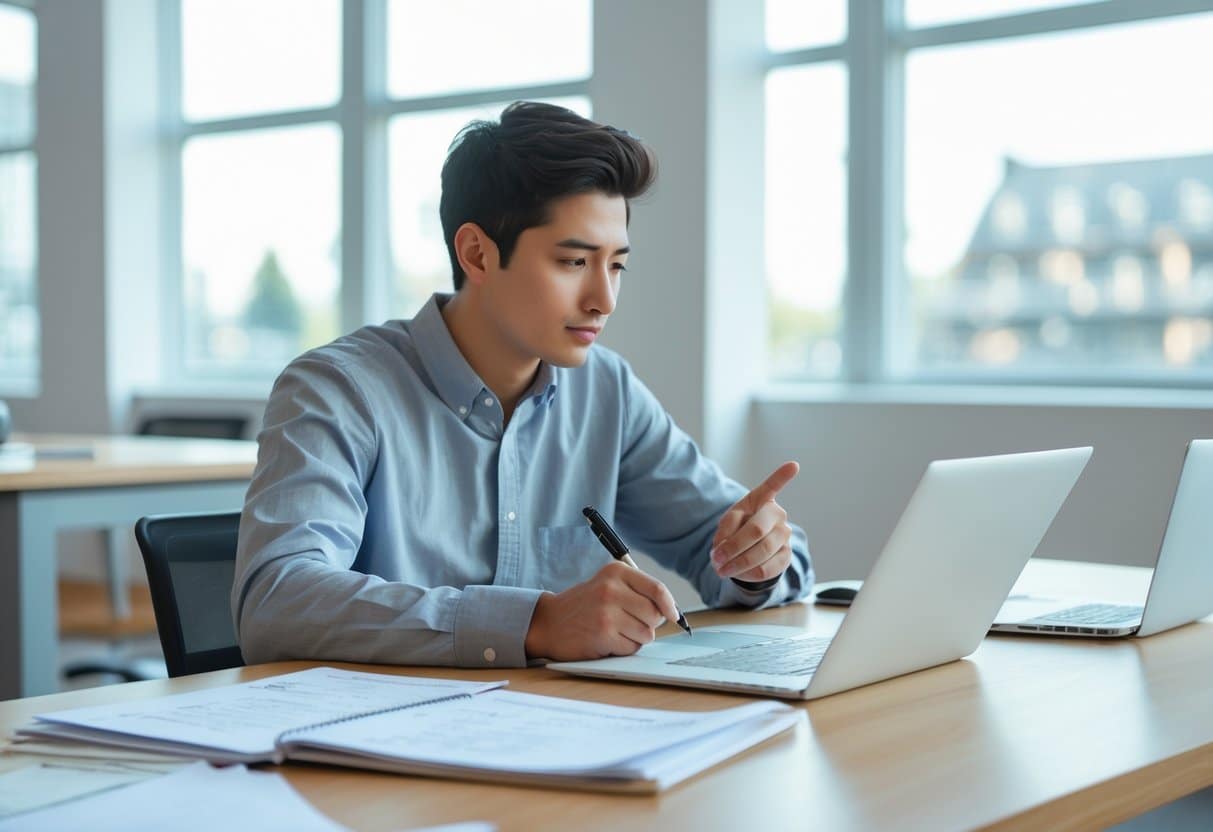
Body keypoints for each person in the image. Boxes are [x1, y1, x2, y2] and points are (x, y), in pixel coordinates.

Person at [232, 101, 813, 668]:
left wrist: (756, 559)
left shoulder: (606, 390)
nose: (603, 300)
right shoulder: (338, 389)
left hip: (560, 738)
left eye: (616, 265)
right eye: (573, 263)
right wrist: (537, 623)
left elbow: (732, 546)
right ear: (478, 253)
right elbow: (277, 600)